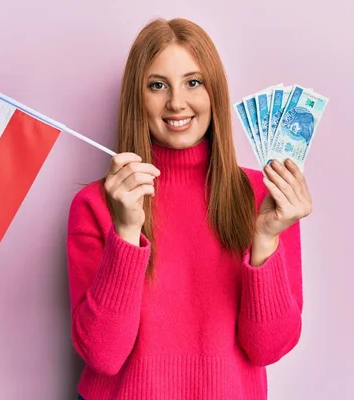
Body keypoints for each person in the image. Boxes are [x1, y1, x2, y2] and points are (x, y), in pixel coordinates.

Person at [66, 17, 312, 400]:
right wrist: (127, 233)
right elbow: (103, 355)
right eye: (157, 85)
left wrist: (266, 239)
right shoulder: (96, 205)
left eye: (193, 82)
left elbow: (269, 348)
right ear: (137, 96)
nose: (176, 102)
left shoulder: (265, 200)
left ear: (214, 92)